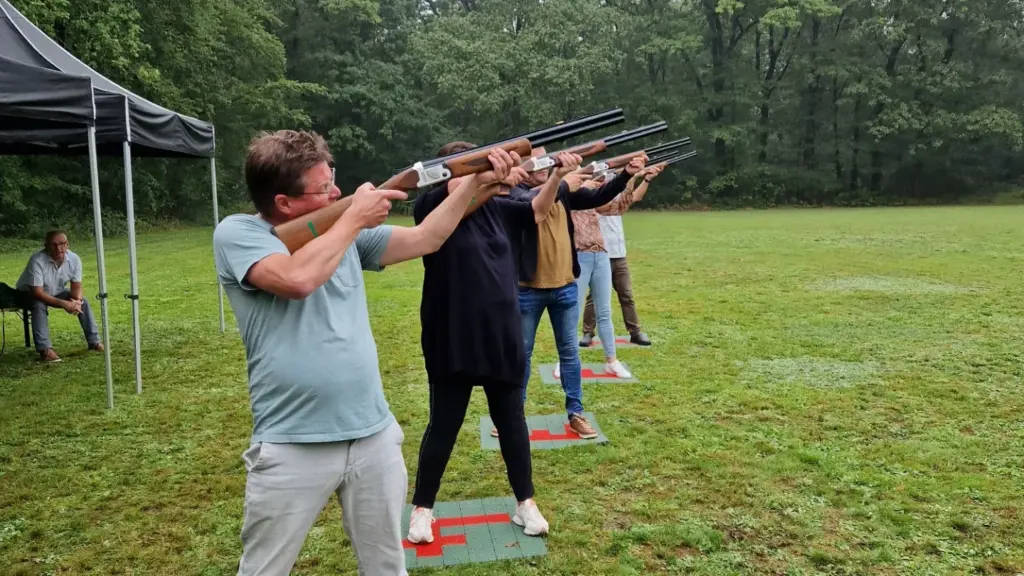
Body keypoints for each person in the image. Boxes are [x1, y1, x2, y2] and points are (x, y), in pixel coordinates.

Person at [213, 129, 516, 576]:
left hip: (372, 434)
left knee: (387, 567)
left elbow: (428, 237)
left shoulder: (342, 232)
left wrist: (476, 184)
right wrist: (353, 217)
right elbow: (296, 281)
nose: (338, 192)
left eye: (333, 180)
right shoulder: (238, 233)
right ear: (284, 204)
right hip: (292, 442)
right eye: (324, 188)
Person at [405, 141, 582, 544]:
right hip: (451, 335)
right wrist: (477, 178)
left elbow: (537, 210)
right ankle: (422, 509)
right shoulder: (431, 207)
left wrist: (555, 173)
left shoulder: (500, 209)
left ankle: (526, 503)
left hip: (500, 334)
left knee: (513, 423)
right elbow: (448, 199)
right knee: (444, 426)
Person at [503, 149, 648, 440]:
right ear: (523, 167)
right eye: (542, 161)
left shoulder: (562, 192)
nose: (549, 165)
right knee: (522, 355)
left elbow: (598, 197)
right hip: (527, 290)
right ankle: (511, 416)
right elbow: (534, 204)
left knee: (570, 354)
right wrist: (562, 177)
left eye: (550, 160)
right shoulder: (512, 194)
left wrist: (626, 175)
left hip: (566, 287)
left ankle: (576, 413)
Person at [580, 165, 664, 348]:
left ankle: (635, 332)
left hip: (619, 254)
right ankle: (587, 332)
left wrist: (646, 179)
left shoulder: (619, 196)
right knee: (594, 297)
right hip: (600, 252)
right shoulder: (595, 197)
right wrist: (633, 176)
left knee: (626, 295)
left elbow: (635, 196)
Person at [15, 229, 103, 362]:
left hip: (55, 291)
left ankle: (94, 341)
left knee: (83, 301)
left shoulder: (74, 259)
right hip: (27, 294)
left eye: (62, 244)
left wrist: (77, 301)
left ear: (67, 244)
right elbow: (37, 292)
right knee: (38, 305)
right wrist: (63, 304)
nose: (58, 248)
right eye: (53, 245)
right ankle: (45, 350)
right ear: (46, 246)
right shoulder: (37, 260)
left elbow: (77, 288)